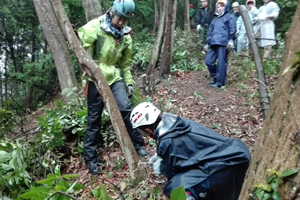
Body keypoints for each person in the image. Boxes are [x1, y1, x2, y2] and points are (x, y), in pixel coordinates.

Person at [78, 0, 149, 175]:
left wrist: (130, 82)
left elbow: (125, 64)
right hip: (95, 77)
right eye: (120, 18)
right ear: (112, 12)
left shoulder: (125, 36)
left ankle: (138, 145)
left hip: (114, 76)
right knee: (94, 119)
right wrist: (87, 70)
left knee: (126, 109)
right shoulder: (96, 26)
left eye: (125, 20)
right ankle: (91, 159)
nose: (122, 23)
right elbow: (80, 42)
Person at [130, 102, 251, 200]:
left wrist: (162, 167)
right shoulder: (175, 123)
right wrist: (162, 155)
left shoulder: (168, 140)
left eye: (142, 132)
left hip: (228, 164)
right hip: (234, 151)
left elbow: (176, 169)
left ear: (148, 130)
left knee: (175, 186)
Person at [203, 0, 236, 88]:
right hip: (213, 43)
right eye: (218, 7)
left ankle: (220, 82)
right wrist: (207, 43)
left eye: (222, 6)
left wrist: (231, 40)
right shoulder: (214, 20)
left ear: (226, 7)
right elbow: (210, 33)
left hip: (223, 43)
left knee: (221, 63)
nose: (219, 8)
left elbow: (232, 29)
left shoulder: (230, 17)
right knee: (208, 61)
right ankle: (216, 77)